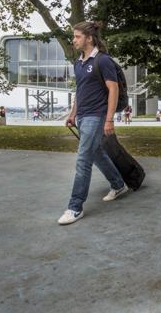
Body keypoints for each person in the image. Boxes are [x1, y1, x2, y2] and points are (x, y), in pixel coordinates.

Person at [58, 21, 129, 225]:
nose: (74, 40)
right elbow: (80, 92)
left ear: (89, 38)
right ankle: (118, 184)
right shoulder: (78, 63)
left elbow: (113, 90)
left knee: (83, 160)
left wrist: (109, 119)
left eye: (77, 36)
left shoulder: (103, 60)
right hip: (82, 116)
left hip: (96, 115)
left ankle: (75, 207)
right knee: (96, 153)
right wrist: (72, 114)